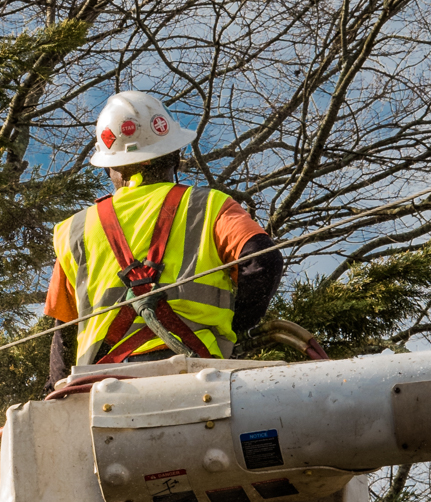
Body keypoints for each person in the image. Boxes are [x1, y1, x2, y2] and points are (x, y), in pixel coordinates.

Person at [44, 90, 283, 387]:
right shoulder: (210, 206)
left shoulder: (74, 230)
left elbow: (64, 329)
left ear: (110, 167)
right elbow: (262, 260)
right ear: (176, 156)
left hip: (104, 388)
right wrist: (239, 325)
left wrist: (54, 391)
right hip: (201, 377)